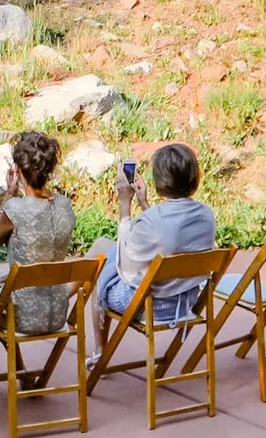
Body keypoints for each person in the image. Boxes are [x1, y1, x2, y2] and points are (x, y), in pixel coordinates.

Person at [0, 131, 77, 371]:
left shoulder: (16, 209)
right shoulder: (65, 205)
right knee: (1, 287)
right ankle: (15, 370)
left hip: (22, 316)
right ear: (50, 169)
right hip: (56, 312)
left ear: (18, 172)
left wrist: (10, 194)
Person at [90, 142, 218, 332]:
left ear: (159, 180)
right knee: (103, 247)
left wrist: (125, 202)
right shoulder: (207, 215)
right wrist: (143, 203)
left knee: (102, 267)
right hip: (184, 301)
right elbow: (167, 238)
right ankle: (65, 295)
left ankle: (99, 349)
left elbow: (125, 258)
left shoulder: (153, 219)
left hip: (150, 304)